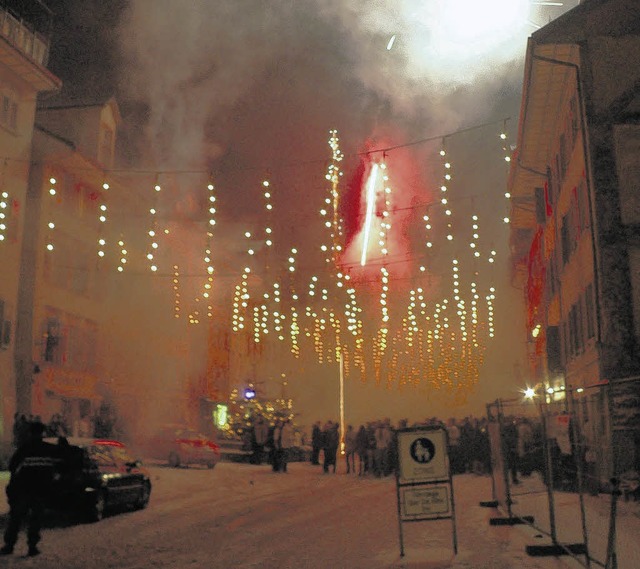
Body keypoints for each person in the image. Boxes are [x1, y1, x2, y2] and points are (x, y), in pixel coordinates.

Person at [1, 421, 60, 557]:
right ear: (43, 433)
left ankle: (9, 545)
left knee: (16, 518)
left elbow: (12, 466)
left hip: (23, 489)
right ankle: (32, 546)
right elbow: (64, 459)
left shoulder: (25, 448)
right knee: (35, 519)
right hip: (40, 490)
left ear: (30, 432)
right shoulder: (49, 449)